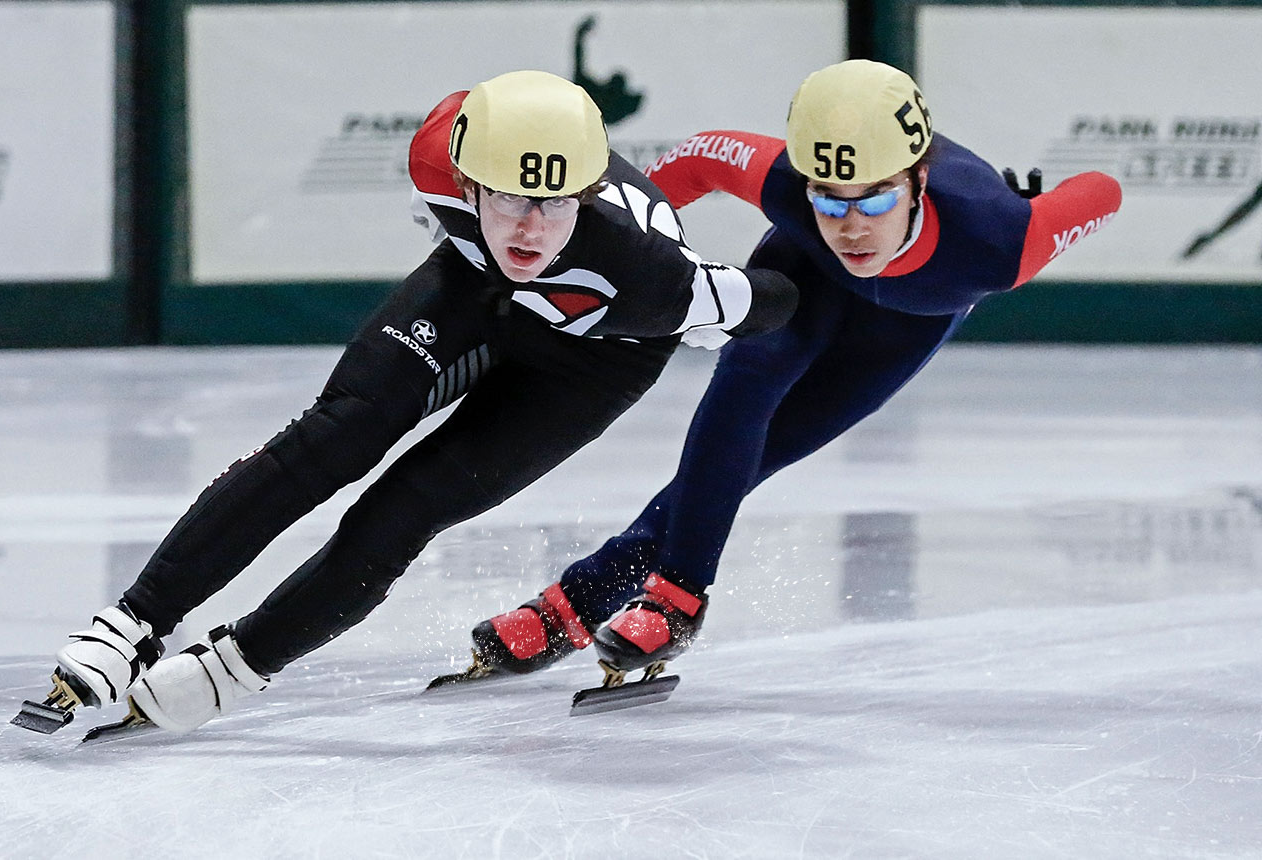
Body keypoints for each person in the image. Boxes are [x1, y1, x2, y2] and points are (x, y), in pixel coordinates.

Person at [13, 70, 798, 735]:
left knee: (407, 506)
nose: (529, 227)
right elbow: (504, 237)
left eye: (556, 204)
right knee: (338, 432)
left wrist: (712, 315)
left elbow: (774, 299)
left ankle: (234, 668)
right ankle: (131, 623)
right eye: (509, 199)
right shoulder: (436, 154)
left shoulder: (656, 276)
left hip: (592, 361)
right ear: (463, 181)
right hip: (474, 291)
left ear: (589, 195)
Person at [459, 60, 1125, 691]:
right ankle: (675, 596)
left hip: (906, 322)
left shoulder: (998, 243)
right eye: (830, 203)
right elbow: (692, 161)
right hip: (804, 275)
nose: (853, 228)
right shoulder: (782, 183)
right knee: (746, 378)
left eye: (873, 201)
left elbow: (1103, 190)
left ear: (919, 181)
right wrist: (625, 245)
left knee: (760, 454)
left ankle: (578, 600)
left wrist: (1040, 206)